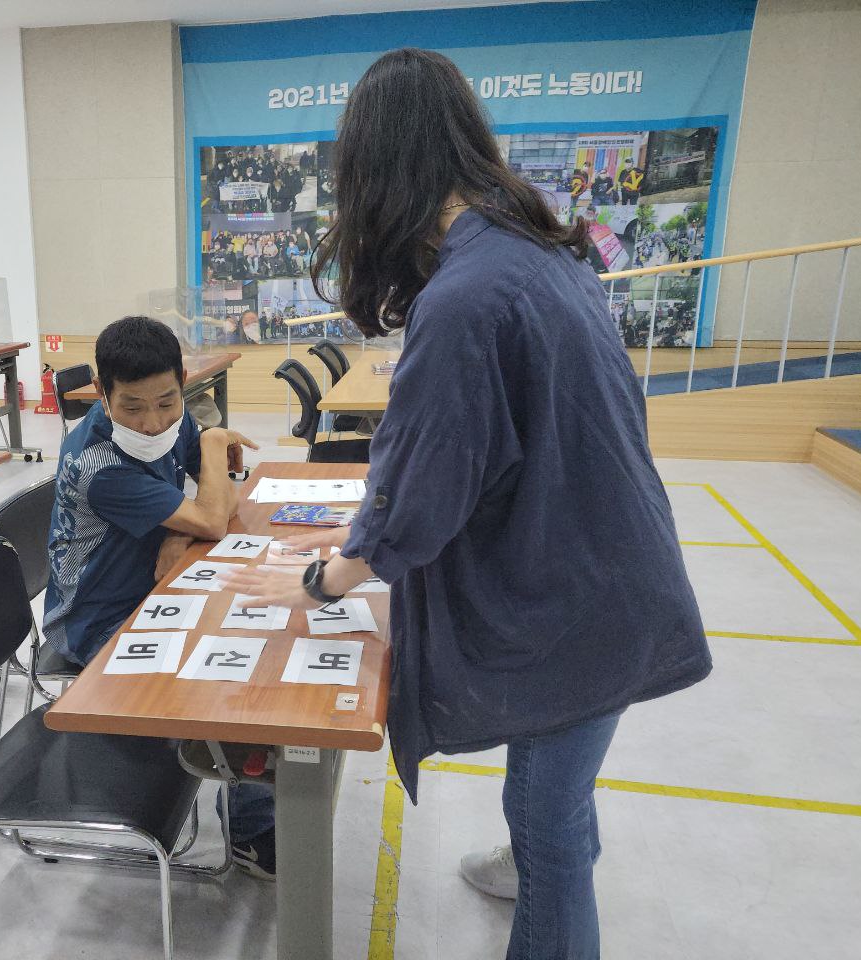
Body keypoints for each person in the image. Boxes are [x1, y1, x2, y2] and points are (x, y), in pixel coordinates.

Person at [222, 48, 710, 959]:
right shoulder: (534, 248)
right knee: (555, 785)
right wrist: (371, 521)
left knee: (548, 812)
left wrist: (327, 578)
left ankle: (543, 871)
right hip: (604, 568)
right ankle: (532, 857)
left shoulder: (468, 294)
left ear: (376, 169)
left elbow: (422, 502)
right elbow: (478, 453)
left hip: (578, 595)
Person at [43, 316, 277, 879]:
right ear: (101, 394)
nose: (152, 423)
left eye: (167, 402)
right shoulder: (99, 462)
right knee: (228, 670)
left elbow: (207, 503)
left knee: (262, 628)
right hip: (99, 624)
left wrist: (180, 530)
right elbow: (215, 514)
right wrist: (216, 446)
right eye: (132, 407)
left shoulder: (172, 426)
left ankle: (261, 784)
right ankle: (252, 828)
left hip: (156, 592)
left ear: (182, 385)